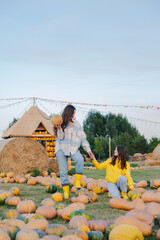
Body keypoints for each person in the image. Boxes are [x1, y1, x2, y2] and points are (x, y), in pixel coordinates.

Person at [53, 104, 92, 199]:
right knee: (63, 171)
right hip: (61, 149)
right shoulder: (61, 123)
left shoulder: (77, 124)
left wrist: (88, 150)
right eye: (73, 113)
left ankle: (77, 183)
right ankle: (66, 193)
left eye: (74, 113)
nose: (74, 115)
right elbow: (61, 138)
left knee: (79, 159)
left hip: (73, 149)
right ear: (68, 113)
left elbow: (83, 138)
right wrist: (59, 129)